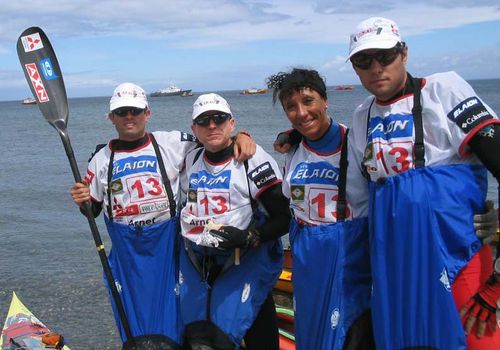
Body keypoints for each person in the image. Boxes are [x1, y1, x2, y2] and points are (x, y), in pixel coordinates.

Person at [346, 17, 500, 349]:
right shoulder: (362, 117)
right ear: (355, 68)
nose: (376, 68)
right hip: (395, 268)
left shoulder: (444, 91)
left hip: (459, 257)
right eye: (364, 61)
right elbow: (357, 208)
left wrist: (497, 278)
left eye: (385, 56)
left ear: (404, 53)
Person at [69, 83, 255, 349]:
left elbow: (213, 139)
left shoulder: (173, 142)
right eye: (122, 112)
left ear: (148, 113)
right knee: (135, 327)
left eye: (135, 110)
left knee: (178, 321)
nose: (129, 117)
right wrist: (83, 201)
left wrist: (242, 137)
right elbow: (93, 210)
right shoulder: (100, 159)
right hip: (127, 253)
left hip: (167, 247)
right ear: (111, 117)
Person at [266, 68, 374, 350]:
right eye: (291, 107)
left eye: (308, 101)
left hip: (347, 261)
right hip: (305, 256)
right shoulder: (292, 150)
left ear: (325, 100)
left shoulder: (356, 144)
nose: (301, 113)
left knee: (348, 337)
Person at [178, 93, 290, 349]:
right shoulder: (191, 159)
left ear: (232, 123)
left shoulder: (251, 158)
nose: (212, 125)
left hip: (244, 262)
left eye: (219, 118)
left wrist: (250, 237)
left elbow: (285, 217)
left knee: (257, 333)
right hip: (203, 266)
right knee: (206, 337)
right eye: (204, 121)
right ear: (194, 128)